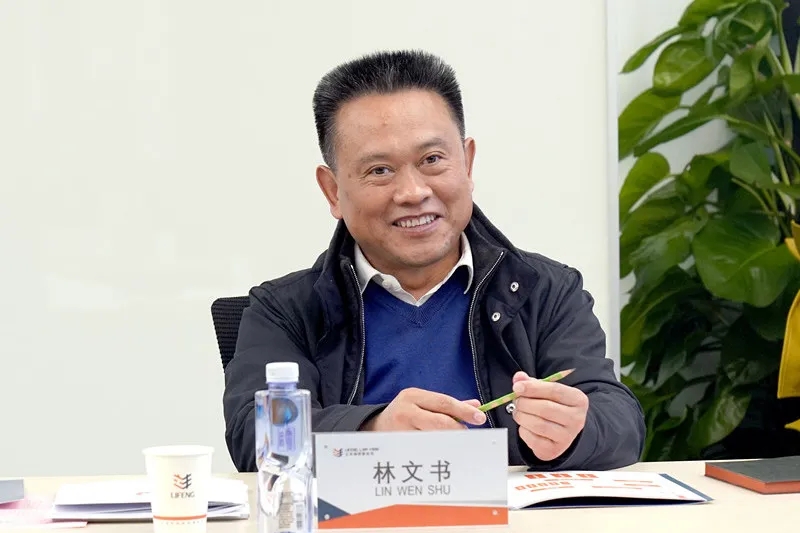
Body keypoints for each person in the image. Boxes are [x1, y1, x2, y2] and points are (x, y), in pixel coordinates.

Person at [222, 49, 645, 472]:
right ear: (333, 191)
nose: (413, 192)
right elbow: (255, 435)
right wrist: (372, 432)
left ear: (468, 163)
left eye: (432, 160)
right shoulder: (285, 309)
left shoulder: (543, 289)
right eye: (379, 170)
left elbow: (619, 421)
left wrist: (574, 431)